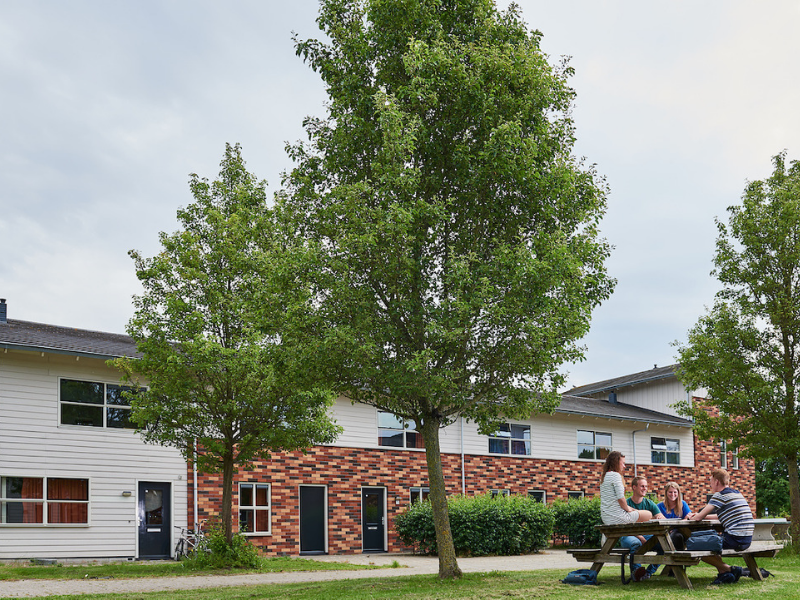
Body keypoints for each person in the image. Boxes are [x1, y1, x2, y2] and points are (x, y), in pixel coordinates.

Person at [690, 468, 755, 585]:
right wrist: (702, 516)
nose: (710, 484)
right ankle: (724, 574)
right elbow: (721, 516)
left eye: (710, 481)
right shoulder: (737, 494)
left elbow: (698, 518)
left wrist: (692, 516)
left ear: (716, 482)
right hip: (746, 539)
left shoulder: (719, 495)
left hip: (735, 539)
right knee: (713, 541)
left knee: (696, 546)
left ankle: (731, 569)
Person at [618, 475, 664, 581]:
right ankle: (637, 573)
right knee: (636, 543)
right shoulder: (626, 504)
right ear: (634, 487)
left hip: (646, 535)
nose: (645, 489)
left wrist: (659, 517)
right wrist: (640, 537)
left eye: (646, 486)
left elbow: (662, 517)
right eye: (642, 486)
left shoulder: (649, 503)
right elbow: (625, 527)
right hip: (629, 535)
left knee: (664, 544)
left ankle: (648, 572)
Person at [600, 451, 653, 525]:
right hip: (617, 518)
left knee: (636, 511)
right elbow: (621, 498)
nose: (624, 466)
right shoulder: (615, 475)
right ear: (616, 463)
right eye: (623, 463)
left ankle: (637, 532)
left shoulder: (605, 476)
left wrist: (632, 509)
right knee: (648, 514)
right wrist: (628, 509)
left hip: (606, 518)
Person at [657, 481, 694, 552]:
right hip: (664, 533)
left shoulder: (683, 504)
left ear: (678, 493)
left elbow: (688, 518)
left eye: (675, 492)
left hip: (679, 532)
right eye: (670, 492)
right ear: (666, 493)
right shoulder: (659, 506)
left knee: (677, 536)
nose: (673, 494)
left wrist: (674, 526)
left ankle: (678, 558)